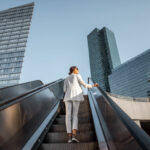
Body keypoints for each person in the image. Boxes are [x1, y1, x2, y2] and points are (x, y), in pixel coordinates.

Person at [63, 66, 99, 143]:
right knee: (75, 115)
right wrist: (93, 85)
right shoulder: (77, 75)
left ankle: (69, 138)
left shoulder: (66, 78)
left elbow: (64, 90)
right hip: (76, 96)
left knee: (68, 116)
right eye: (77, 69)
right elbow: (85, 85)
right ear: (74, 70)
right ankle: (74, 136)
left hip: (67, 97)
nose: (78, 70)